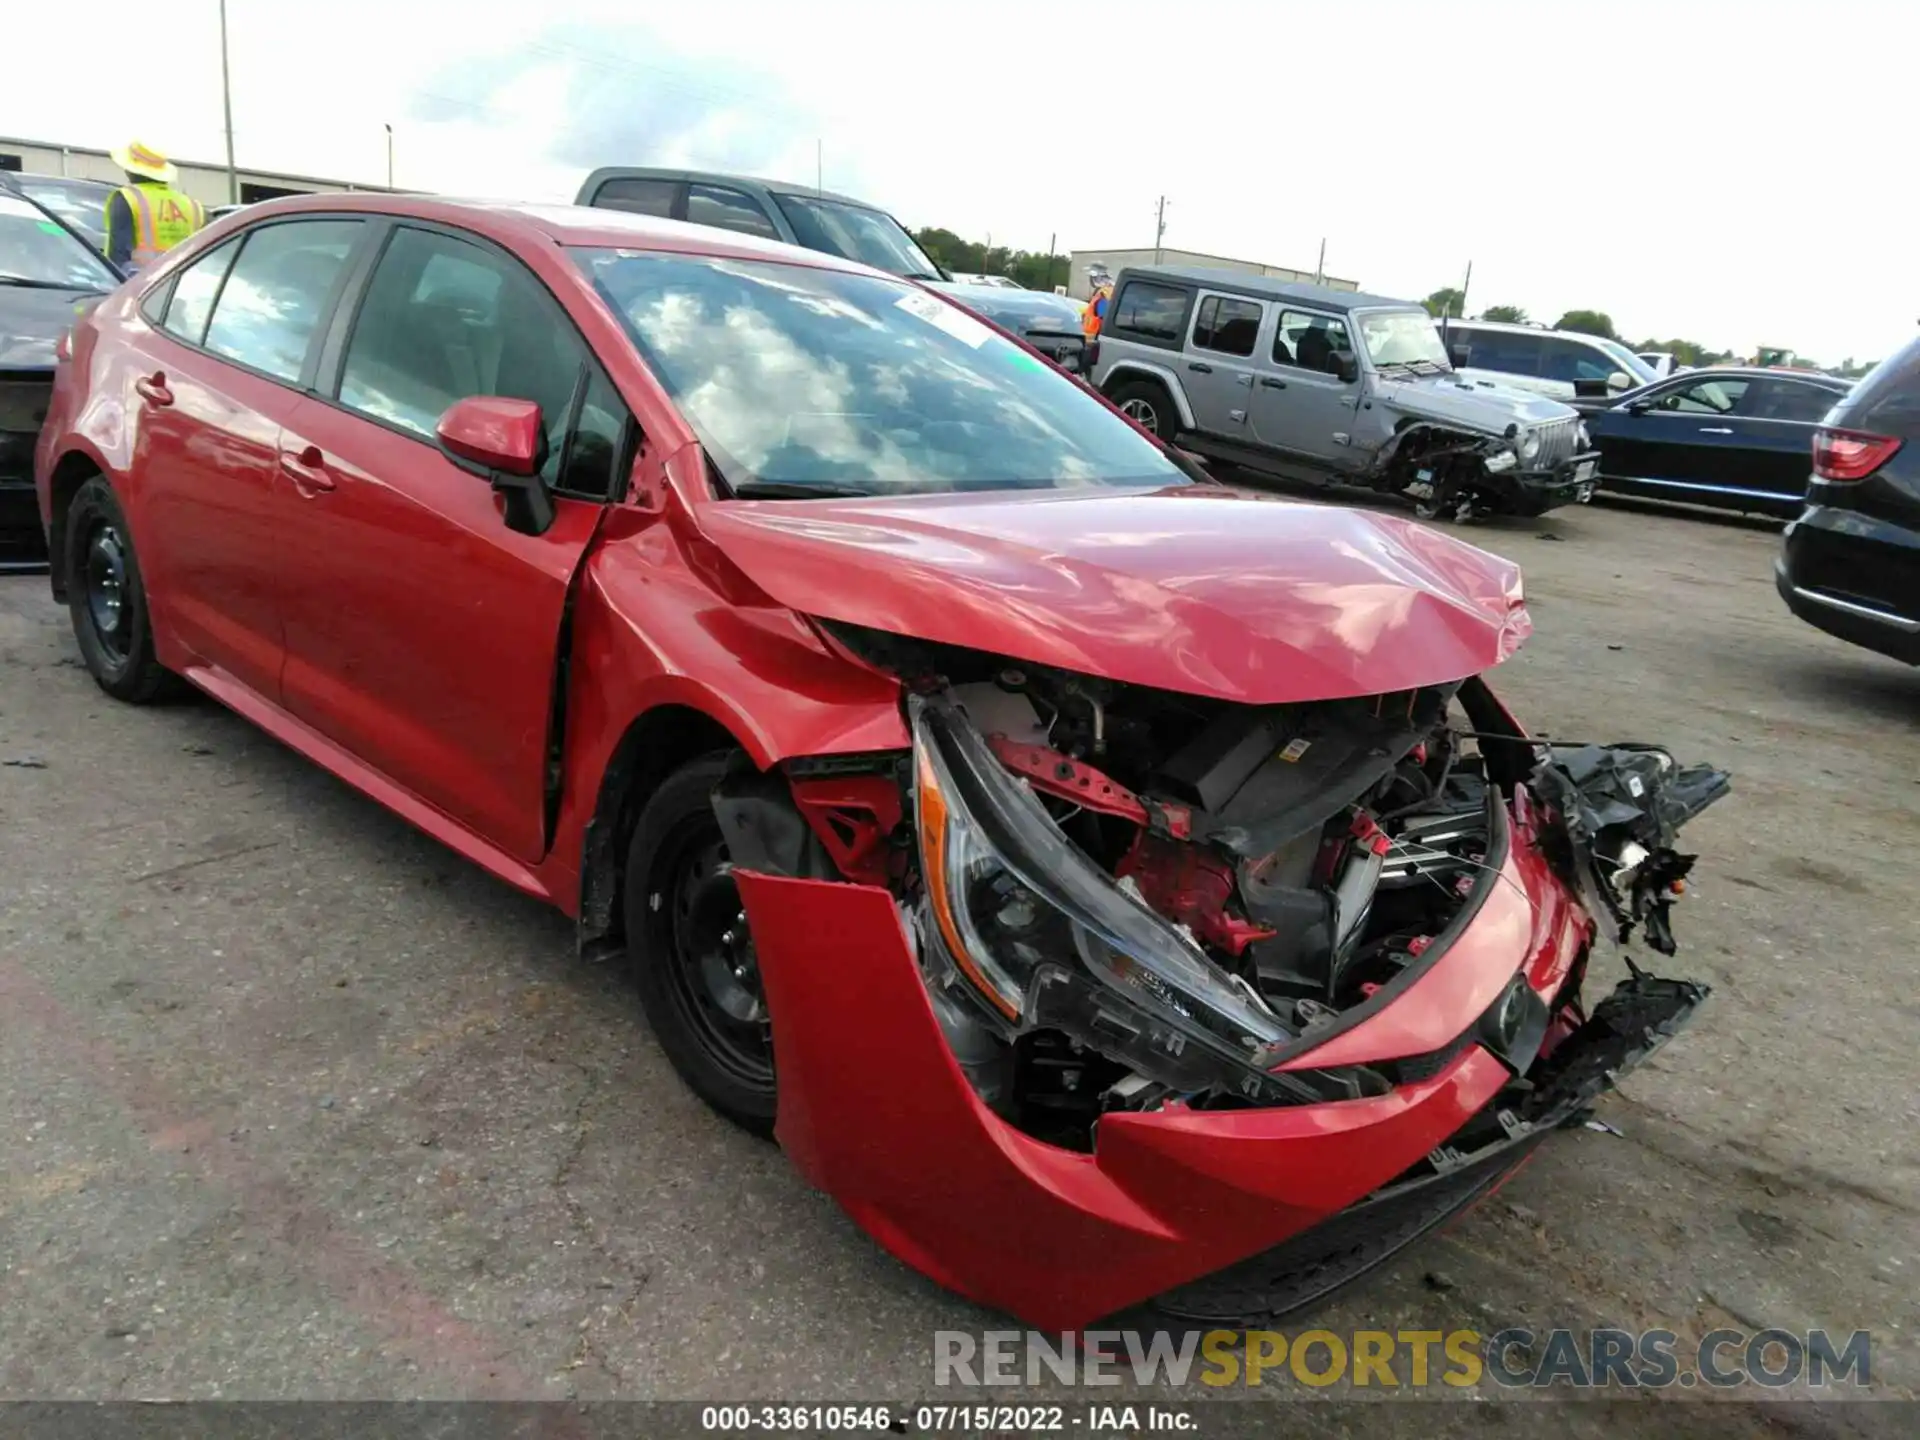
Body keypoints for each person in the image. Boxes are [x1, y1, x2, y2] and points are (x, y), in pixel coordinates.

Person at [103, 141, 205, 273]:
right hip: (184, 283)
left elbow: (117, 257)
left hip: (142, 285)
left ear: (131, 170)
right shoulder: (192, 205)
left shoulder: (128, 198)